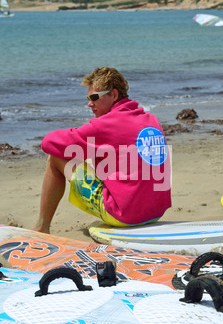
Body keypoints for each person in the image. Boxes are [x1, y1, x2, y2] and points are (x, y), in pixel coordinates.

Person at [33, 67, 171, 234]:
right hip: (156, 211)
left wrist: (78, 133)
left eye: (94, 97)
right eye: (88, 98)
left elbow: (48, 142)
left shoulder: (106, 125)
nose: (90, 103)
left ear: (113, 95)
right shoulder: (151, 119)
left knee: (55, 158)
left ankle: (42, 227)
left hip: (126, 216)